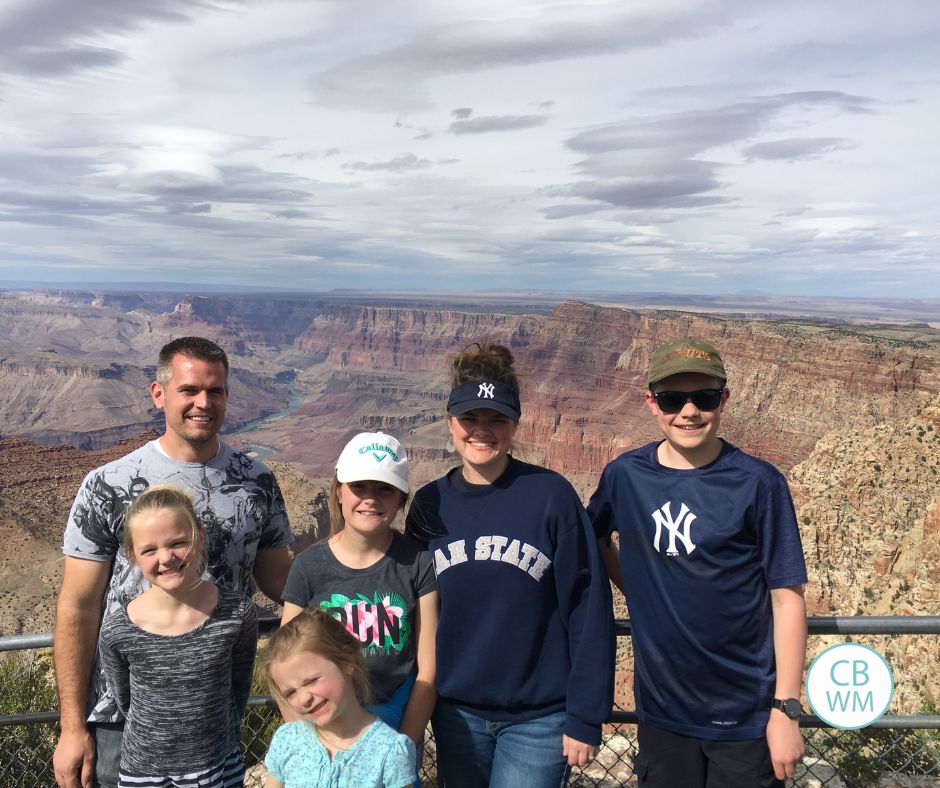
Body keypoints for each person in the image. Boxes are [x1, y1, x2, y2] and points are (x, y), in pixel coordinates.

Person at [53, 336, 293, 788]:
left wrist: (353, 579)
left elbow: (280, 580)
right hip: (122, 719)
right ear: (159, 394)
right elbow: (78, 606)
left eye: (215, 390)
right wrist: (71, 728)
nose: (203, 402)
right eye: (189, 390)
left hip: (211, 718)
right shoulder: (108, 484)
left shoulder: (257, 481)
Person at [587, 339, 808, 788]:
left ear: (723, 399)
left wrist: (786, 709)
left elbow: (787, 599)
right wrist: (640, 588)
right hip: (662, 713)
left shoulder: (759, 484)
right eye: (672, 399)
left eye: (703, 398)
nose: (689, 412)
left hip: (745, 714)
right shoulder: (624, 476)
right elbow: (594, 536)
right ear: (651, 402)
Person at [405, 341, 615, 788]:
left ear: (516, 423)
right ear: (450, 421)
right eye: (470, 419)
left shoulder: (551, 497)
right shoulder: (428, 504)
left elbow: (587, 606)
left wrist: (585, 715)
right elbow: (412, 607)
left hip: (539, 718)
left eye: (497, 419)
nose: (482, 431)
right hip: (455, 713)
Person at [280, 431, 438, 751]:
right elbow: (284, 665)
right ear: (339, 492)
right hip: (324, 732)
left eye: (385, 488)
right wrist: (307, 743)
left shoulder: (417, 564)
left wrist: (403, 746)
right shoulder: (309, 567)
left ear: (401, 498)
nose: (370, 498)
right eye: (359, 486)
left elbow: (428, 671)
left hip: (394, 726)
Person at [97, 485, 257, 787]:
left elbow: (239, 687)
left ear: (200, 536)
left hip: (216, 764)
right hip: (144, 771)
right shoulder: (119, 630)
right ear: (133, 555)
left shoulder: (236, 614)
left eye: (178, 543)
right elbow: (126, 702)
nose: (166, 557)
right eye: (149, 550)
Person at [264, 608, 417, 788]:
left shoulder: (390, 751)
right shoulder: (287, 741)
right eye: (290, 693)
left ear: (347, 662)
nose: (304, 699)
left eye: (311, 681)